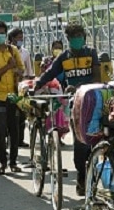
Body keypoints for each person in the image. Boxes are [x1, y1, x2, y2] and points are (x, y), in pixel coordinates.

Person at [34, 23, 100, 196]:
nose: (77, 39)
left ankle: (91, 179)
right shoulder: (64, 57)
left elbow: (97, 76)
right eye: (73, 37)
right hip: (75, 103)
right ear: (69, 40)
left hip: (92, 100)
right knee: (80, 143)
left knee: (95, 141)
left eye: (80, 36)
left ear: (84, 38)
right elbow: (50, 73)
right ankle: (81, 176)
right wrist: (37, 84)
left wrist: (78, 85)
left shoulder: (91, 54)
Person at [0, 21, 25, 175]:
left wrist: (16, 71)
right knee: (0, 130)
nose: (0, 36)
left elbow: (21, 69)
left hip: (13, 96)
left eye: (2, 33)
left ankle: (13, 162)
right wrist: (8, 67)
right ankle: (2, 162)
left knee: (14, 130)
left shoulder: (13, 50)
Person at [8, 27, 33, 147]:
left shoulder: (26, 53)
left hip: (22, 87)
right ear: (12, 39)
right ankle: (10, 139)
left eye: (22, 38)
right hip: (9, 87)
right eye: (18, 38)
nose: (20, 40)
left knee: (22, 114)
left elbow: (30, 71)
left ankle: (20, 140)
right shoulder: (6, 52)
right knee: (11, 114)